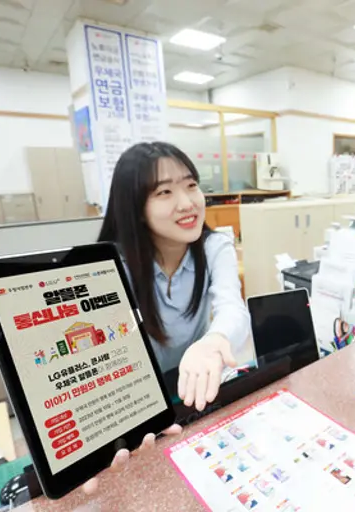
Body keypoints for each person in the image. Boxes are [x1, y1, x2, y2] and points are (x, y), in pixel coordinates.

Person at [84, 141, 250, 493]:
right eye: (164, 192)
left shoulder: (214, 246)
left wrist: (213, 342)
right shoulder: (109, 268)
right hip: (139, 413)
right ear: (136, 207)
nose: (187, 202)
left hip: (197, 398)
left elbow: (233, 309)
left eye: (191, 185)